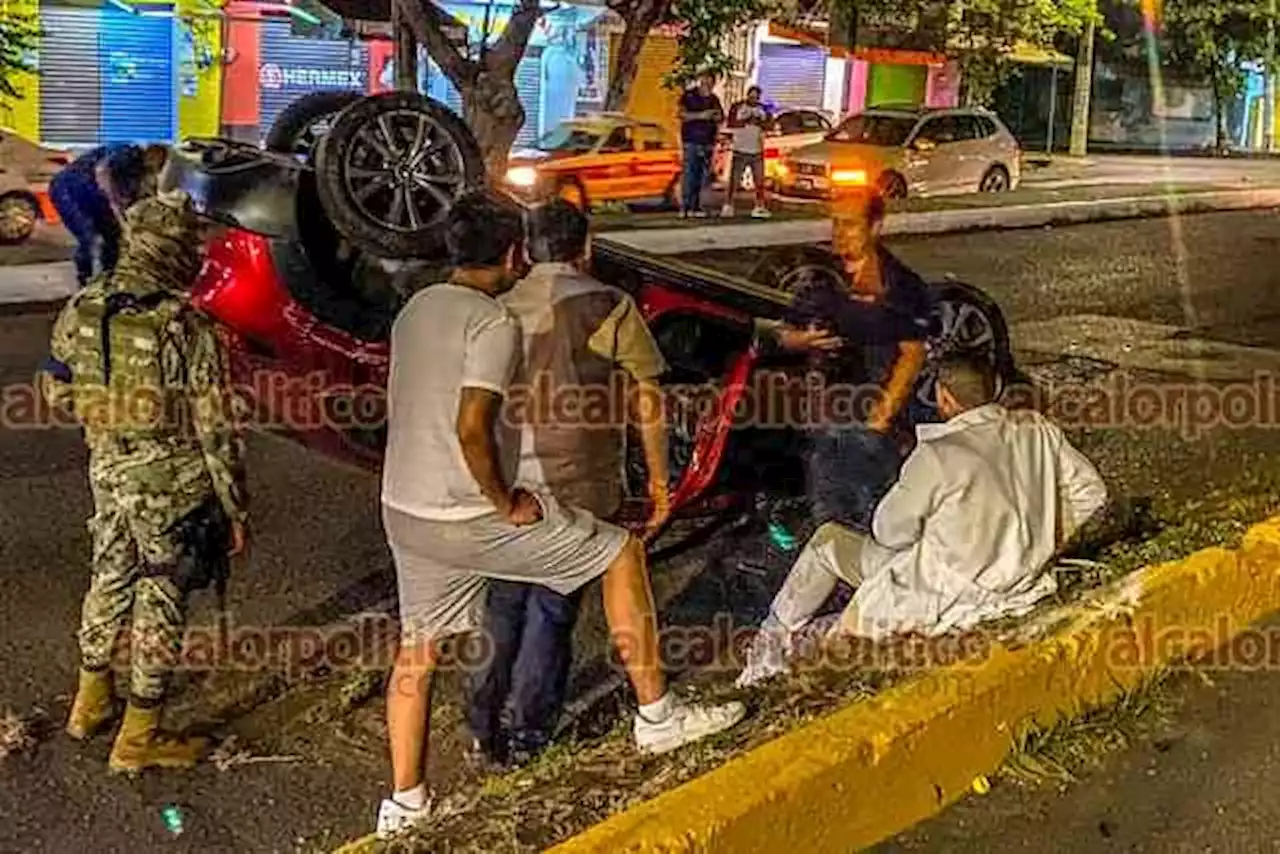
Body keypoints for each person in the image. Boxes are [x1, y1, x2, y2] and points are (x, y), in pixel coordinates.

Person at [376, 190, 744, 839]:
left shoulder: (415, 310)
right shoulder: (498, 322)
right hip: (483, 505)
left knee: (419, 651)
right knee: (615, 555)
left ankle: (405, 804)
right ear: (516, 251)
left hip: (404, 508)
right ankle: (657, 718)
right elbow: (471, 426)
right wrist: (505, 500)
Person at [736, 353, 1108, 686]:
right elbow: (1091, 492)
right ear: (995, 390)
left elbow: (889, 531)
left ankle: (764, 657)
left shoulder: (939, 454)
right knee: (833, 625)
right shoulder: (1036, 430)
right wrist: (1044, 538)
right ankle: (796, 643)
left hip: (935, 594)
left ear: (945, 398)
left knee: (827, 544)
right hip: (1023, 583)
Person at [40, 189, 249, 772]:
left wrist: (102, 407)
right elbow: (216, 429)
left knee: (108, 573)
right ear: (178, 252)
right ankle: (138, 737)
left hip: (107, 466)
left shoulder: (84, 303)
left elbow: (53, 386)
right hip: (173, 481)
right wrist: (236, 508)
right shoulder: (183, 323)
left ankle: (89, 703)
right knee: (161, 590)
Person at [465, 198, 673, 767]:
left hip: (506, 487)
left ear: (528, 249)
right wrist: (659, 482)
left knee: (503, 603)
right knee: (552, 609)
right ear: (585, 246)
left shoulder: (498, 307)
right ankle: (529, 734)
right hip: (580, 485)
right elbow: (648, 399)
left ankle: (483, 729)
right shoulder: (610, 306)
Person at [785, 189, 934, 533]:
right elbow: (783, 331)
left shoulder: (901, 284)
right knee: (826, 507)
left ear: (875, 227)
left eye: (850, 224)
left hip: (869, 417)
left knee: (873, 511)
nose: (839, 232)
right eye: (835, 222)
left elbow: (912, 354)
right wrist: (803, 340)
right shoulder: (818, 277)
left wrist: (879, 419)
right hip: (823, 413)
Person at [49, 143, 169, 288]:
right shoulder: (126, 152)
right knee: (90, 237)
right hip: (68, 189)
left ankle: (109, 278)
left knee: (114, 236)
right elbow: (102, 171)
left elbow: (146, 195)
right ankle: (84, 281)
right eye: (158, 161)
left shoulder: (142, 172)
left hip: (92, 196)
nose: (158, 166)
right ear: (151, 153)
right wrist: (115, 203)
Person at [721, 85, 772, 219]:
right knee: (734, 180)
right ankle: (728, 205)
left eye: (756, 97)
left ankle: (759, 206)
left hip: (756, 150)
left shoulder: (763, 109)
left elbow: (769, 125)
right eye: (751, 96)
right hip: (740, 148)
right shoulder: (738, 107)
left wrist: (759, 122)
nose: (753, 98)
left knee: (759, 181)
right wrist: (745, 121)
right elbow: (731, 123)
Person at [678, 74, 723, 218]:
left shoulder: (714, 99)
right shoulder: (689, 96)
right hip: (691, 140)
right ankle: (685, 206)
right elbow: (682, 114)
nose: (708, 85)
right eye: (705, 82)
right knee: (690, 173)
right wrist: (701, 116)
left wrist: (716, 117)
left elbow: (720, 117)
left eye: (711, 83)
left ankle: (696, 205)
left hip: (708, 141)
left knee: (702, 176)